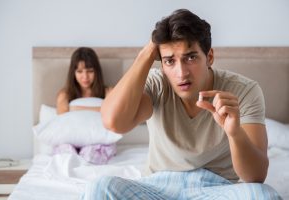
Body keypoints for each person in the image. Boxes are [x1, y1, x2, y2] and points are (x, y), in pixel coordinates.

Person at [86, 9, 282, 199]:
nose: (181, 73)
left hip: (218, 188)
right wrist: (145, 55)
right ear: (161, 63)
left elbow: (256, 176)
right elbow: (113, 122)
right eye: (170, 61)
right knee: (101, 188)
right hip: (158, 187)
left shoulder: (244, 91)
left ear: (209, 57)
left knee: (262, 195)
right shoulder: (157, 84)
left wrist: (234, 133)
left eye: (190, 57)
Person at [54, 47, 116, 164]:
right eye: (79, 71)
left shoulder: (108, 92)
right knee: (66, 155)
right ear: (73, 73)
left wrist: (74, 108)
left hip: (99, 141)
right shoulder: (65, 95)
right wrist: (98, 109)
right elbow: (62, 120)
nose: (85, 77)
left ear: (96, 71)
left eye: (90, 71)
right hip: (71, 141)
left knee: (91, 155)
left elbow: (112, 115)